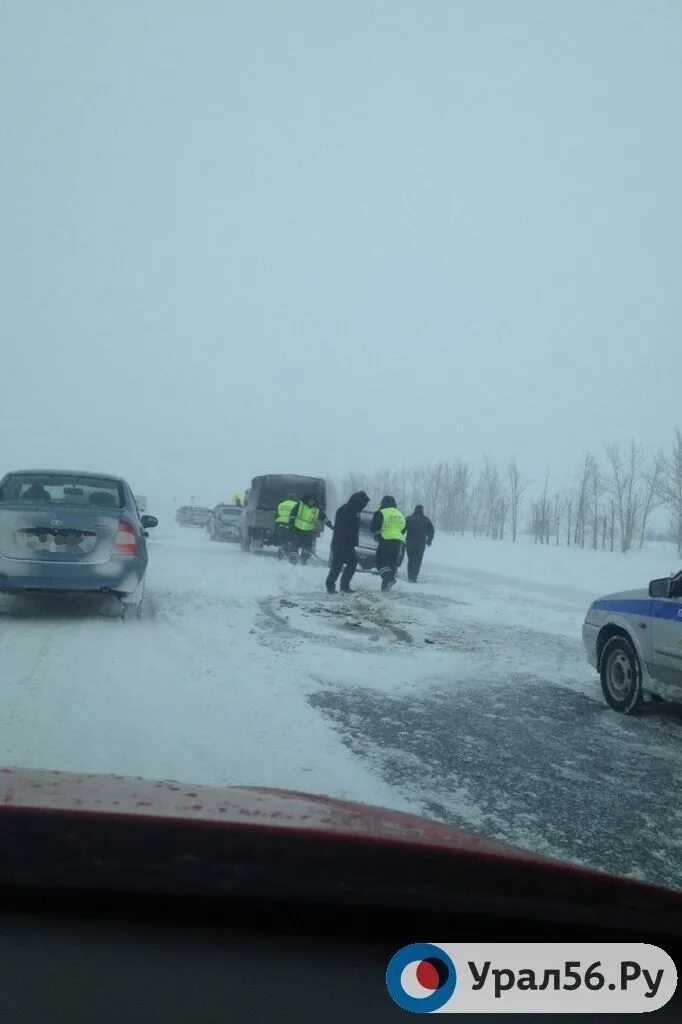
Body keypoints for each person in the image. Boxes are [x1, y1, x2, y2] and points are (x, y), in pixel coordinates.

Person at [325, 491, 370, 594]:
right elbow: (344, 528)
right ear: (359, 501)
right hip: (341, 543)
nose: (364, 506)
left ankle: (343, 586)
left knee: (351, 564)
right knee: (337, 566)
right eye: (364, 504)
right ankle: (331, 586)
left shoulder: (352, 510)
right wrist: (347, 541)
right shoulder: (347, 510)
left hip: (347, 544)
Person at [370, 495, 406, 592]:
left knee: (380, 563)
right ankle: (385, 588)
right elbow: (403, 528)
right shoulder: (399, 514)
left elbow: (373, 529)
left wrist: (379, 534)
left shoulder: (380, 513)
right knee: (391, 565)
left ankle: (389, 579)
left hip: (386, 540)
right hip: (399, 541)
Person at [288, 493, 324, 565]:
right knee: (295, 545)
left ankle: (303, 560)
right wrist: (291, 523)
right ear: (307, 500)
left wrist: (330, 525)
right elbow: (293, 513)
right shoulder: (300, 505)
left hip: (308, 531)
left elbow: (323, 517)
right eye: (310, 500)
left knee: (307, 546)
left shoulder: (317, 509)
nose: (311, 502)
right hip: (297, 528)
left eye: (313, 501)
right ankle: (293, 560)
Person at [404, 504, 435, 583]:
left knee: (411, 560)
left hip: (410, 543)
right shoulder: (426, 520)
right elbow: (431, 530)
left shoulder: (409, 519)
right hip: (420, 544)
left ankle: (410, 576)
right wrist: (429, 540)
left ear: (415, 510)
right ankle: (414, 577)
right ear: (422, 511)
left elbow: (402, 530)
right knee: (417, 561)